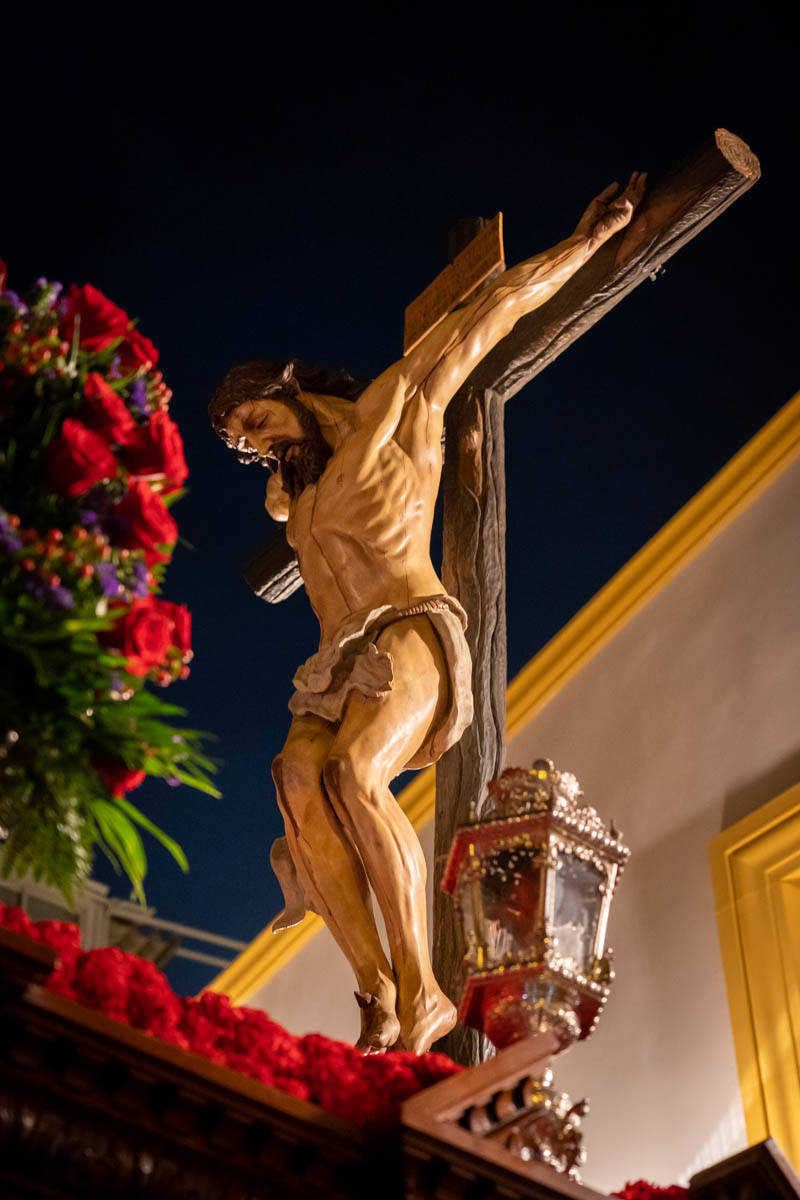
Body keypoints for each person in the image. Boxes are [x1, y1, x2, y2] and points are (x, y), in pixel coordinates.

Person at [209, 172, 646, 1054]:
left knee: (356, 775)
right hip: (335, 660)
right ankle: (374, 992)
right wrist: (283, 480)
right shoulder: (295, 502)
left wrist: (586, 242)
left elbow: (493, 313)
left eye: (257, 419)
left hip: (411, 623)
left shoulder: (393, 416)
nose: (256, 444)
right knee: (296, 782)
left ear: (291, 386)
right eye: (242, 443)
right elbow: (284, 509)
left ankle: (424, 992)